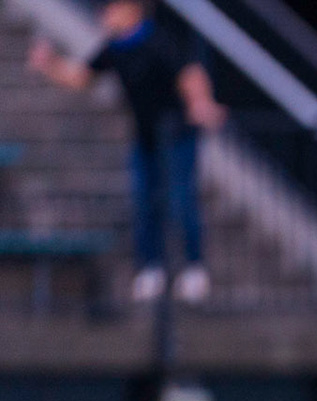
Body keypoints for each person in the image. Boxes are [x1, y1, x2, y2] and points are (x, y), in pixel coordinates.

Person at [28, 0, 225, 304]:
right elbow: (80, 77)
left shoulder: (157, 40)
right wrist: (49, 63)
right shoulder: (115, 48)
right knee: (143, 201)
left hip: (176, 135)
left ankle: (194, 269)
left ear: (131, 9)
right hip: (145, 138)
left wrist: (200, 103)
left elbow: (190, 75)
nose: (103, 14)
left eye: (110, 8)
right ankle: (151, 269)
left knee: (181, 199)